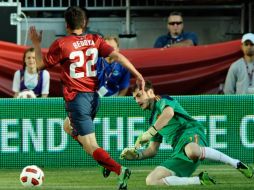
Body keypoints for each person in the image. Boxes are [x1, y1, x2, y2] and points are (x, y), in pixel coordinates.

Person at [29, 6, 145, 190]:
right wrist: (137, 74)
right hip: (94, 98)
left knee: (91, 145)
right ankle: (104, 162)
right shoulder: (95, 39)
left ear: (66, 25)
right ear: (84, 23)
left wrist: (36, 44)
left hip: (77, 99)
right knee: (68, 126)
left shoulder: (62, 44)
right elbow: (116, 55)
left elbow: (39, 66)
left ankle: (120, 170)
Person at [120, 80, 253, 186]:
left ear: (150, 92)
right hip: (178, 151)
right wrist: (137, 156)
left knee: (192, 150)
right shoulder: (153, 120)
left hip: (190, 132)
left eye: (139, 95)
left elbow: (168, 113)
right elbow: (153, 150)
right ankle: (199, 180)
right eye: (134, 98)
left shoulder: (162, 100)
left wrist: (150, 132)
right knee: (151, 180)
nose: (137, 101)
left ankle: (236, 163)